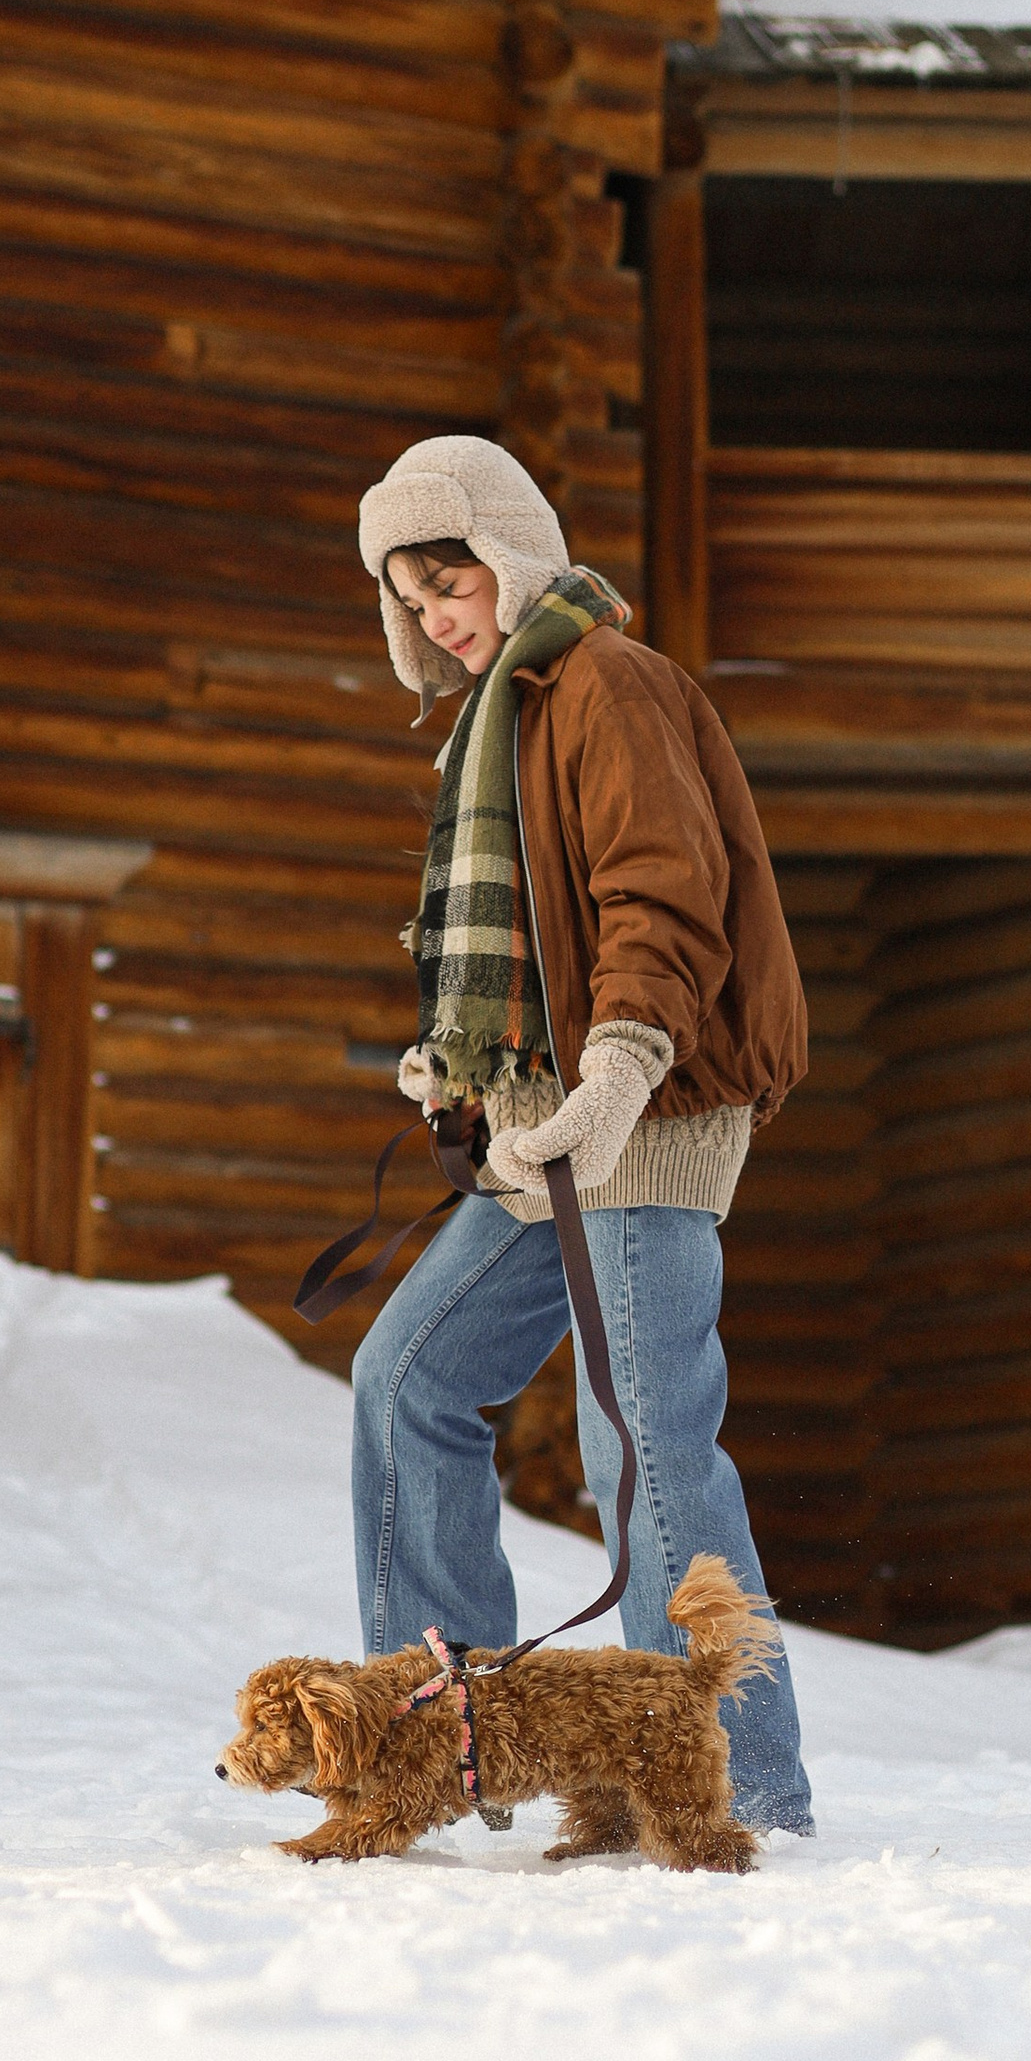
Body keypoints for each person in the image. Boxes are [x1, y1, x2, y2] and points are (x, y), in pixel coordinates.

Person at [346, 432, 814, 1835]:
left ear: (513, 550)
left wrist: (613, 1069)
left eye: (454, 575)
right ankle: (450, 1745)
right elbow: (529, 942)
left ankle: (743, 1795)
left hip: (646, 1113)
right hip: (547, 1129)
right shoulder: (505, 715)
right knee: (406, 1381)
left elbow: (660, 896)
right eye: (413, 594)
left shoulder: (607, 683)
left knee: (649, 1449)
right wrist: (470, 1069)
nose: (440, 613)